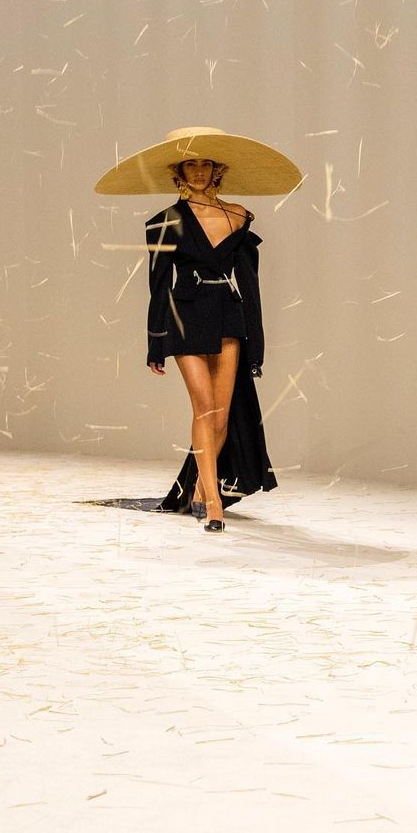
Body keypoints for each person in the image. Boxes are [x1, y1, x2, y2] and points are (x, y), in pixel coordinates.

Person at [93, 126, 301, 532]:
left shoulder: (238, 216)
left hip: (227, 317)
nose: (200, 171)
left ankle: (200, 490)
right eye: (191, 164)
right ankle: (213, 504)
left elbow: (251, 286)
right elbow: (158, 286)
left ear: (217, 170)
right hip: (185, 317)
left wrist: (256, 346)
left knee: (221, 417)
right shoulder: (165, 222)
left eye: (206, 164)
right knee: (204, 407)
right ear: (179, 171)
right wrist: (155, 343)